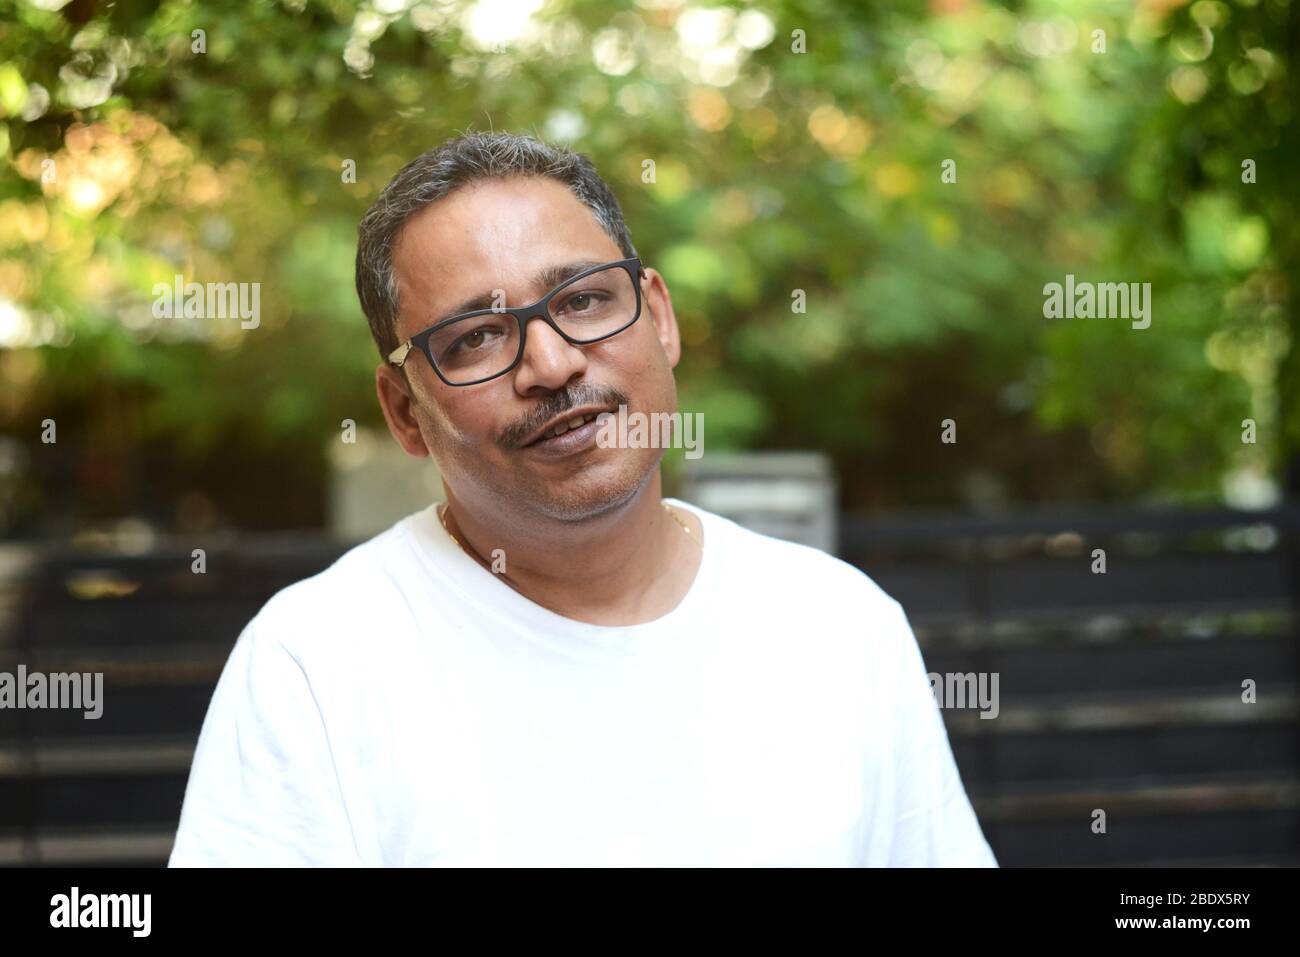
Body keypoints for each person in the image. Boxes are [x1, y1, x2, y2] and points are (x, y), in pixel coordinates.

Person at [168, 130, 997, 867]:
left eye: (584, 299)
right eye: (477, 337)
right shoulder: (315, 666)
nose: (554, 364)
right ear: (403, 412)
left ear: (660, 318)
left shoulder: (839, 627)